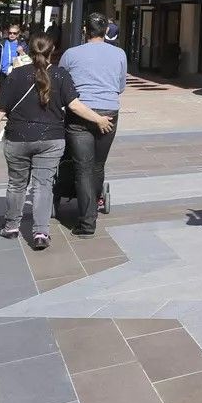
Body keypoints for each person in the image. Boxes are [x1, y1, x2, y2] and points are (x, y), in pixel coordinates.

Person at [0, 34, 115, 250]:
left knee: (16, 183)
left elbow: (0, 108)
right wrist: (99, 119)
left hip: (18, 138)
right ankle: (41, 232)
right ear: (53, 51)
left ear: (29, 51)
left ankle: (12, 226)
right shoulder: (60, 75)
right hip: (51, 139)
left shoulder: (16, 75)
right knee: (43, 185)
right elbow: (75, 106)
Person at [58, 13, 127, 238]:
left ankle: (87, 223)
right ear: (106, 30)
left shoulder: (71, 54)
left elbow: (61, 81)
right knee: (98, 165)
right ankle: (94, 203)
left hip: (80, 112)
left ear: (85, 30)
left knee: (83, 167)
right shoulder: (119, 53)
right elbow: (120, 85)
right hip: (108, 112)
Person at [0, 23, 25, 87]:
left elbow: (27, 59)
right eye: (10, 33)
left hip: (15, 72)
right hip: (2, 71)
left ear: (18, 34)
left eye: (14, 33)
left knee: (12, 92)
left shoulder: (22, 44)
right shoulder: (2, 43)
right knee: (3, 91)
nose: (12, 35)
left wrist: (21, 52)